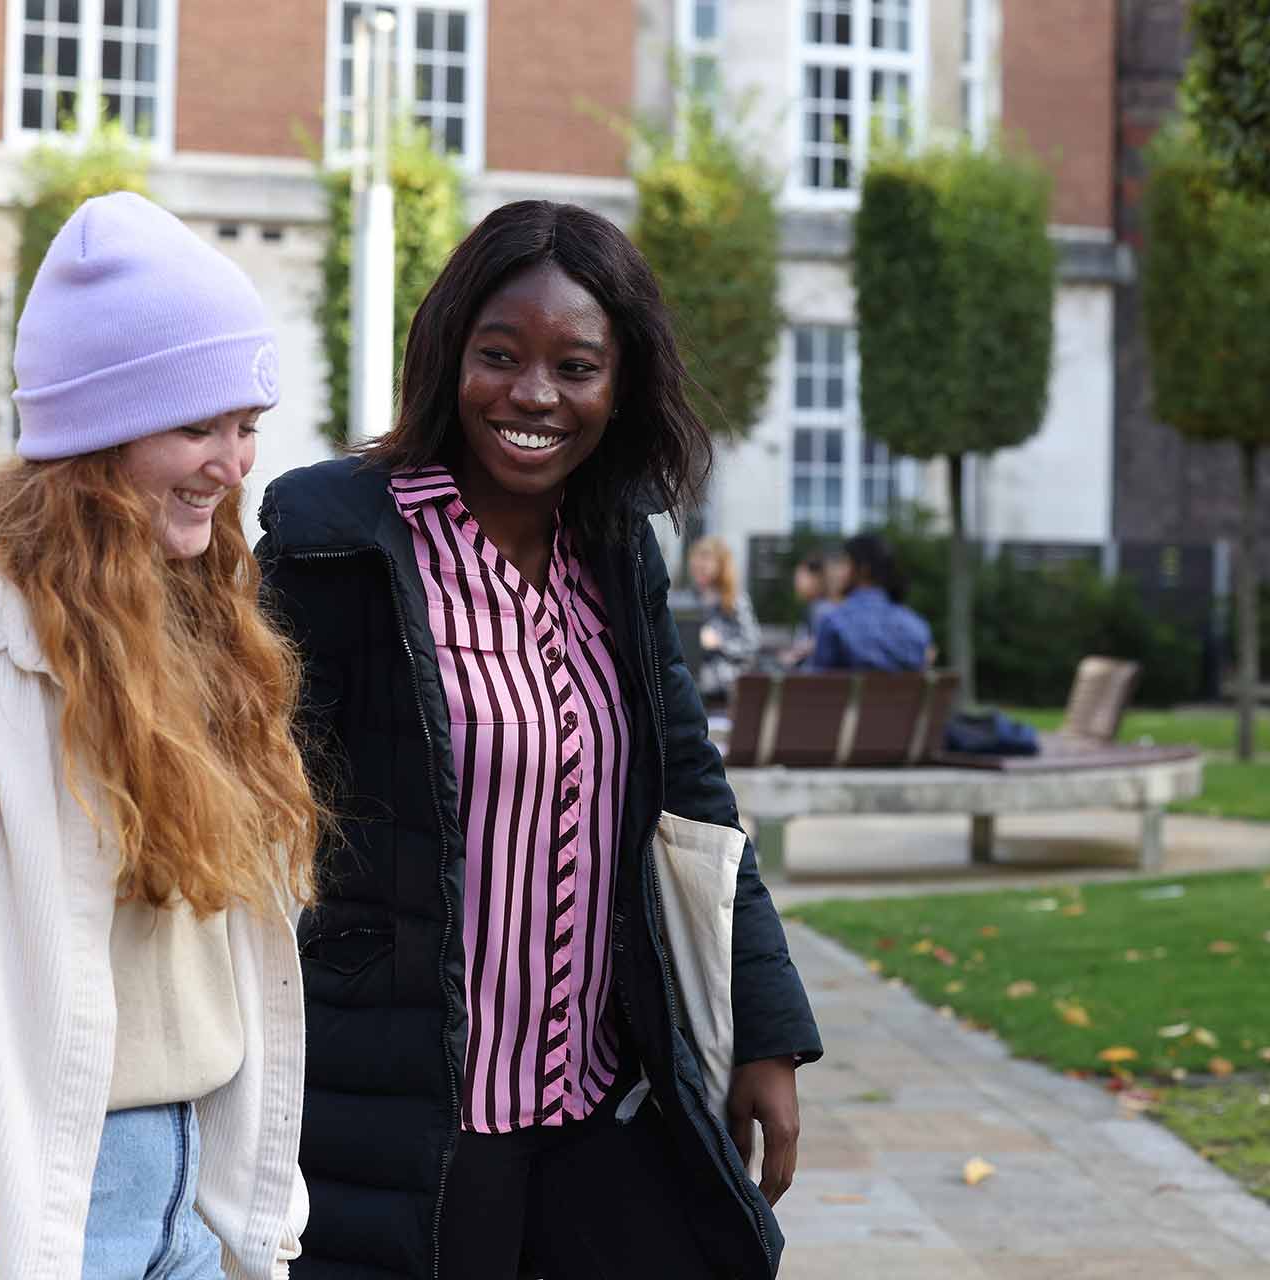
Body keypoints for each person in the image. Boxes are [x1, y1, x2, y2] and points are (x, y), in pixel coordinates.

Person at [256, 200, 822, 1280]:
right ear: (448, 357)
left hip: (599, 1110)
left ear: (620, 385)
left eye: (575, 365)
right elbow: (245, 793)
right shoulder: (338, 538)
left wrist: (766, 1029)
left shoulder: (617, 549)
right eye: (500, 355)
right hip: (409, 1119)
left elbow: (691, 793)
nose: (533, 394)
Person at [0, 192, 317, 1278]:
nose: (236, 463)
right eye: (198, 425)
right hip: (38, 1213)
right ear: (94, 438)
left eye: (246, 426)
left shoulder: (196, 618)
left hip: (193, 1211)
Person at [808, 532, 934, 672]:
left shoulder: (834, 623)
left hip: (852, 694)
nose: (838, 573)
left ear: (863, 569)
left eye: (844, 563)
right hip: (904, 694)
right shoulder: (917, 625)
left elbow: (817, 684)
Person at [685, 534, 760, 704]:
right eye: (696, 562)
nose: (699, 566)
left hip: (723, 686)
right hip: (693, 681)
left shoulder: (735, 600)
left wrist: (720, 643)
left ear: (721, 565)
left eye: (705, 562)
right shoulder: (689, 599)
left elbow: (751, 643)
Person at [776, 550, 839, 668]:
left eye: (799, 578)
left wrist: (795, 654)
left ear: (816, 578)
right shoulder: (816, 607)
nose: (796, 583)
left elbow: (820, 641)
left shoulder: (823, 609)